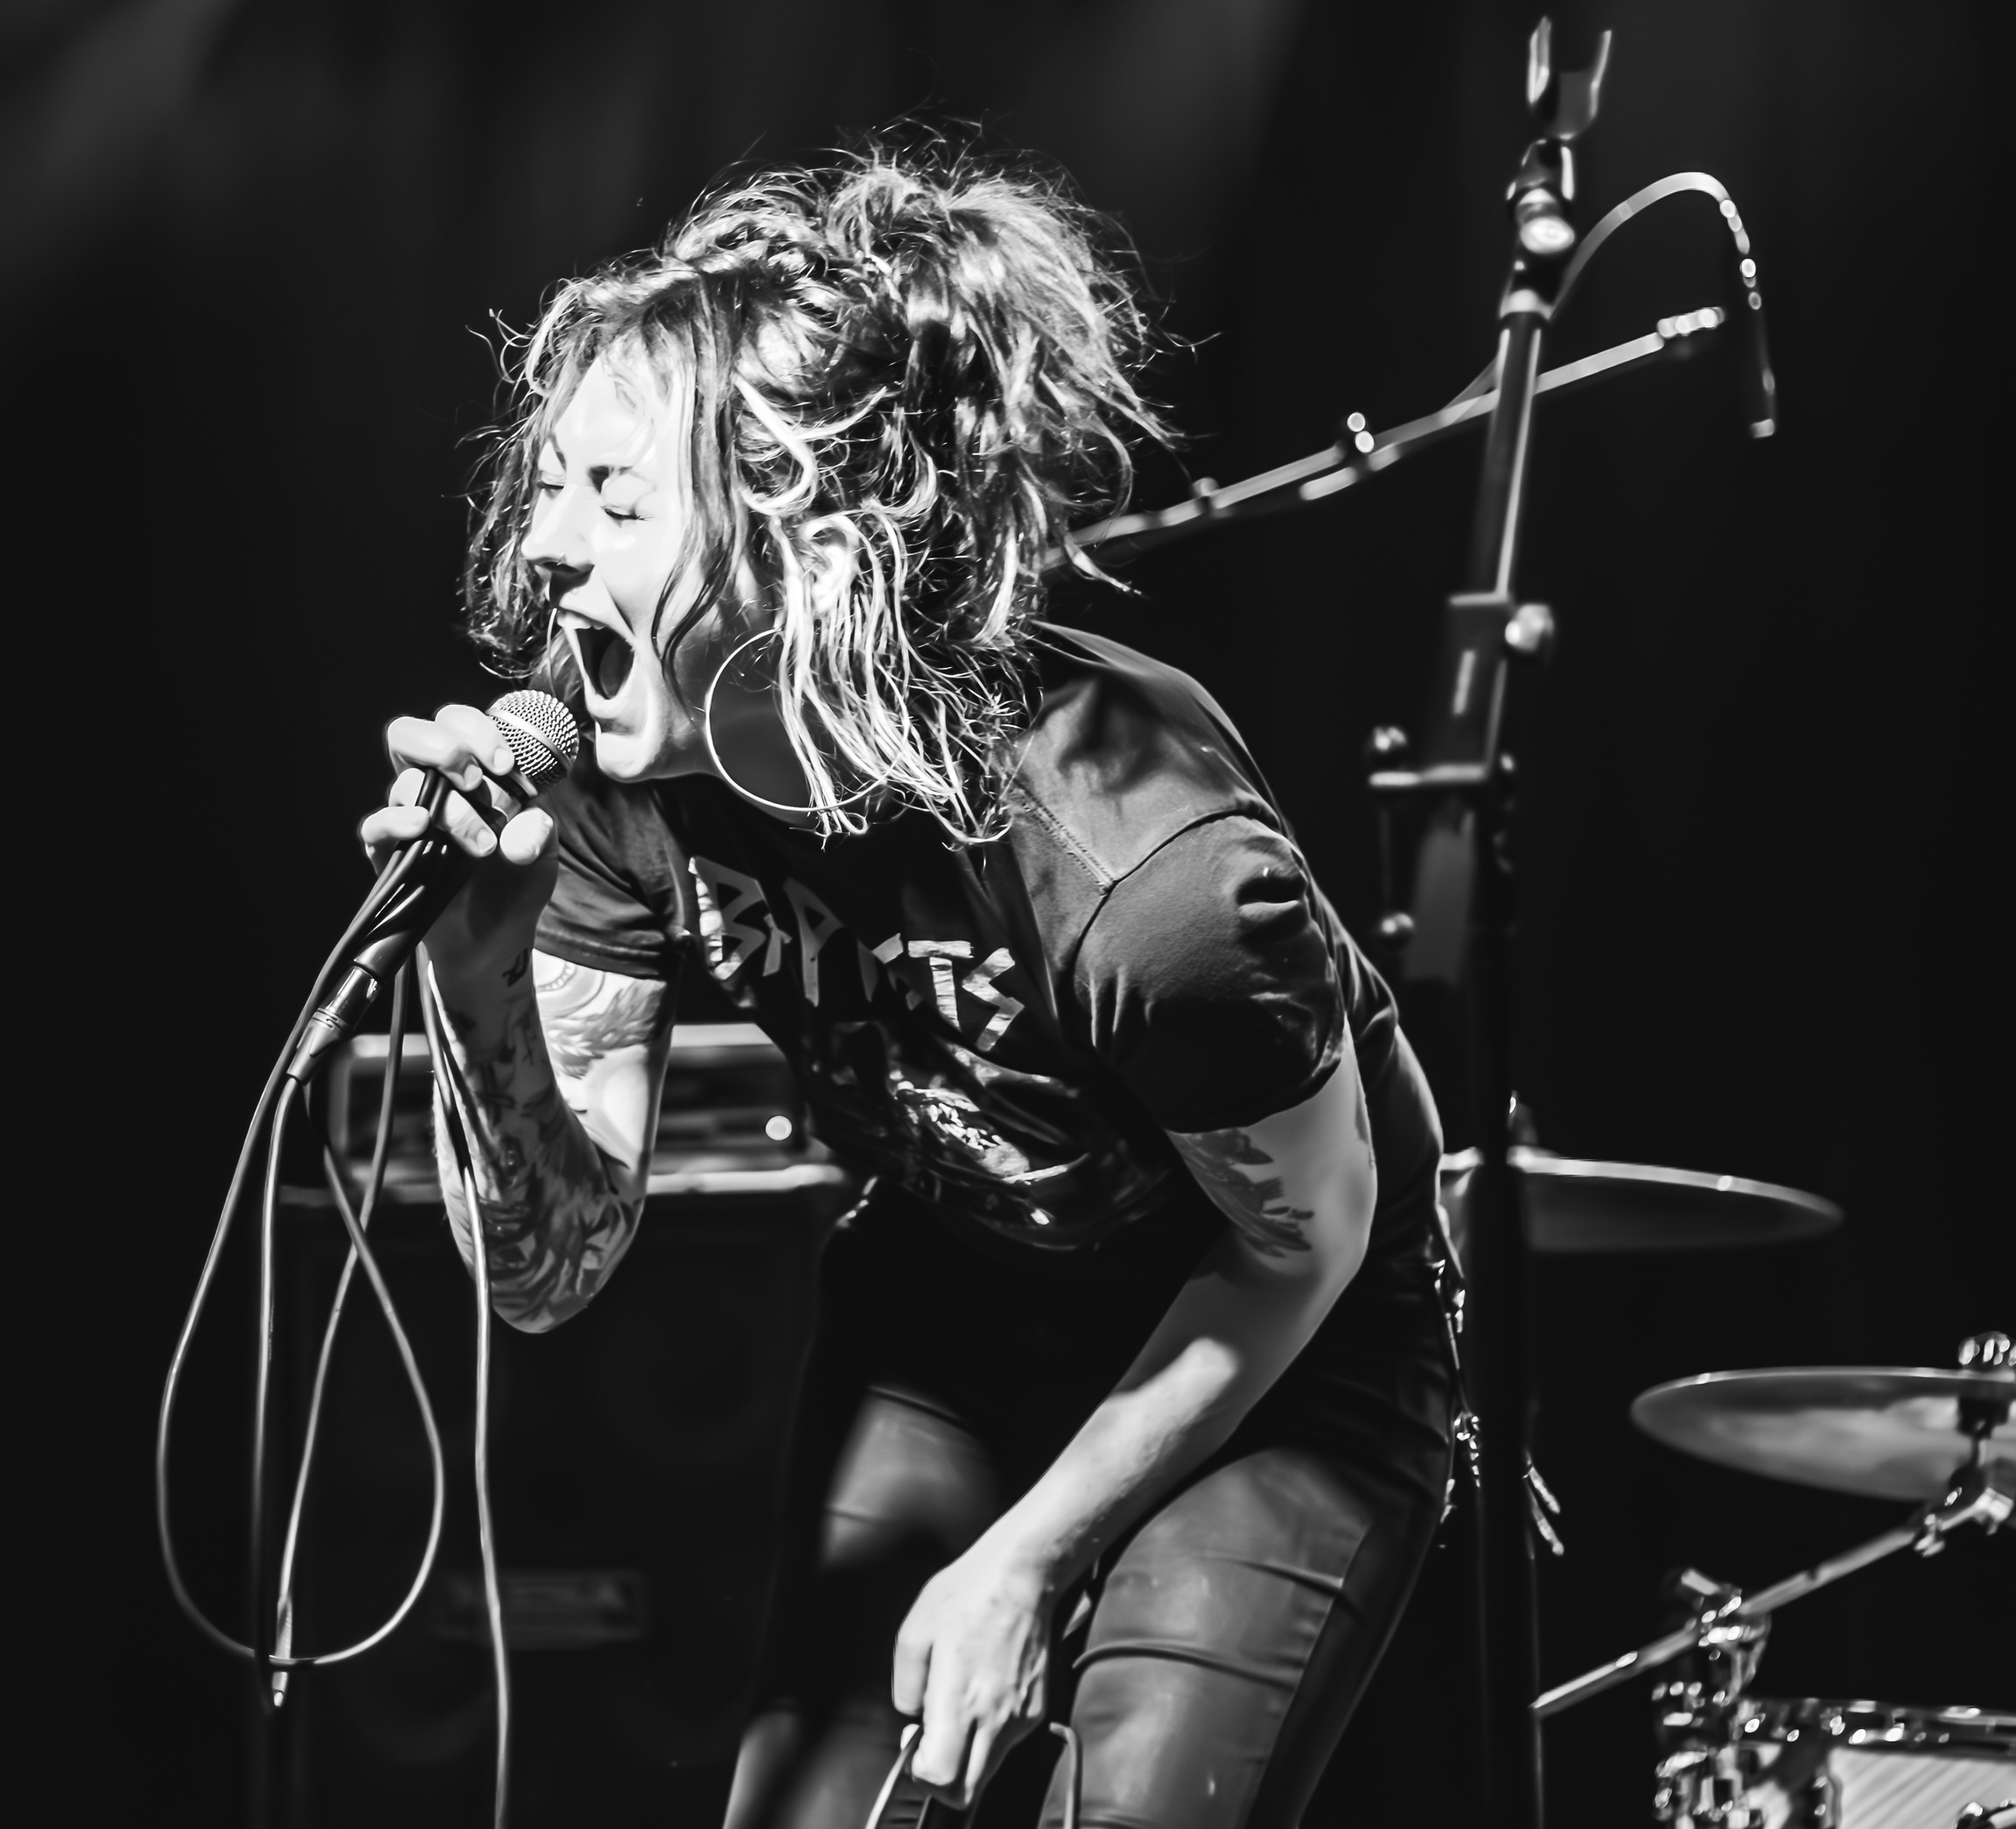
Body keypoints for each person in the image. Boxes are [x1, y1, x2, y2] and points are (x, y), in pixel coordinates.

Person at [358, 143, 1456, 1829]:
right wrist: (478, 968)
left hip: (1278, 1338)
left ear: (807, 537)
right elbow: (548, 1270)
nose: (550, 548)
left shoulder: (1144, 871)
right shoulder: (616, 791)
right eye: (552, 485)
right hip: (962, 1297)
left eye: (619, 500)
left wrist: (1030, 1555)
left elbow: (1304, 1239)